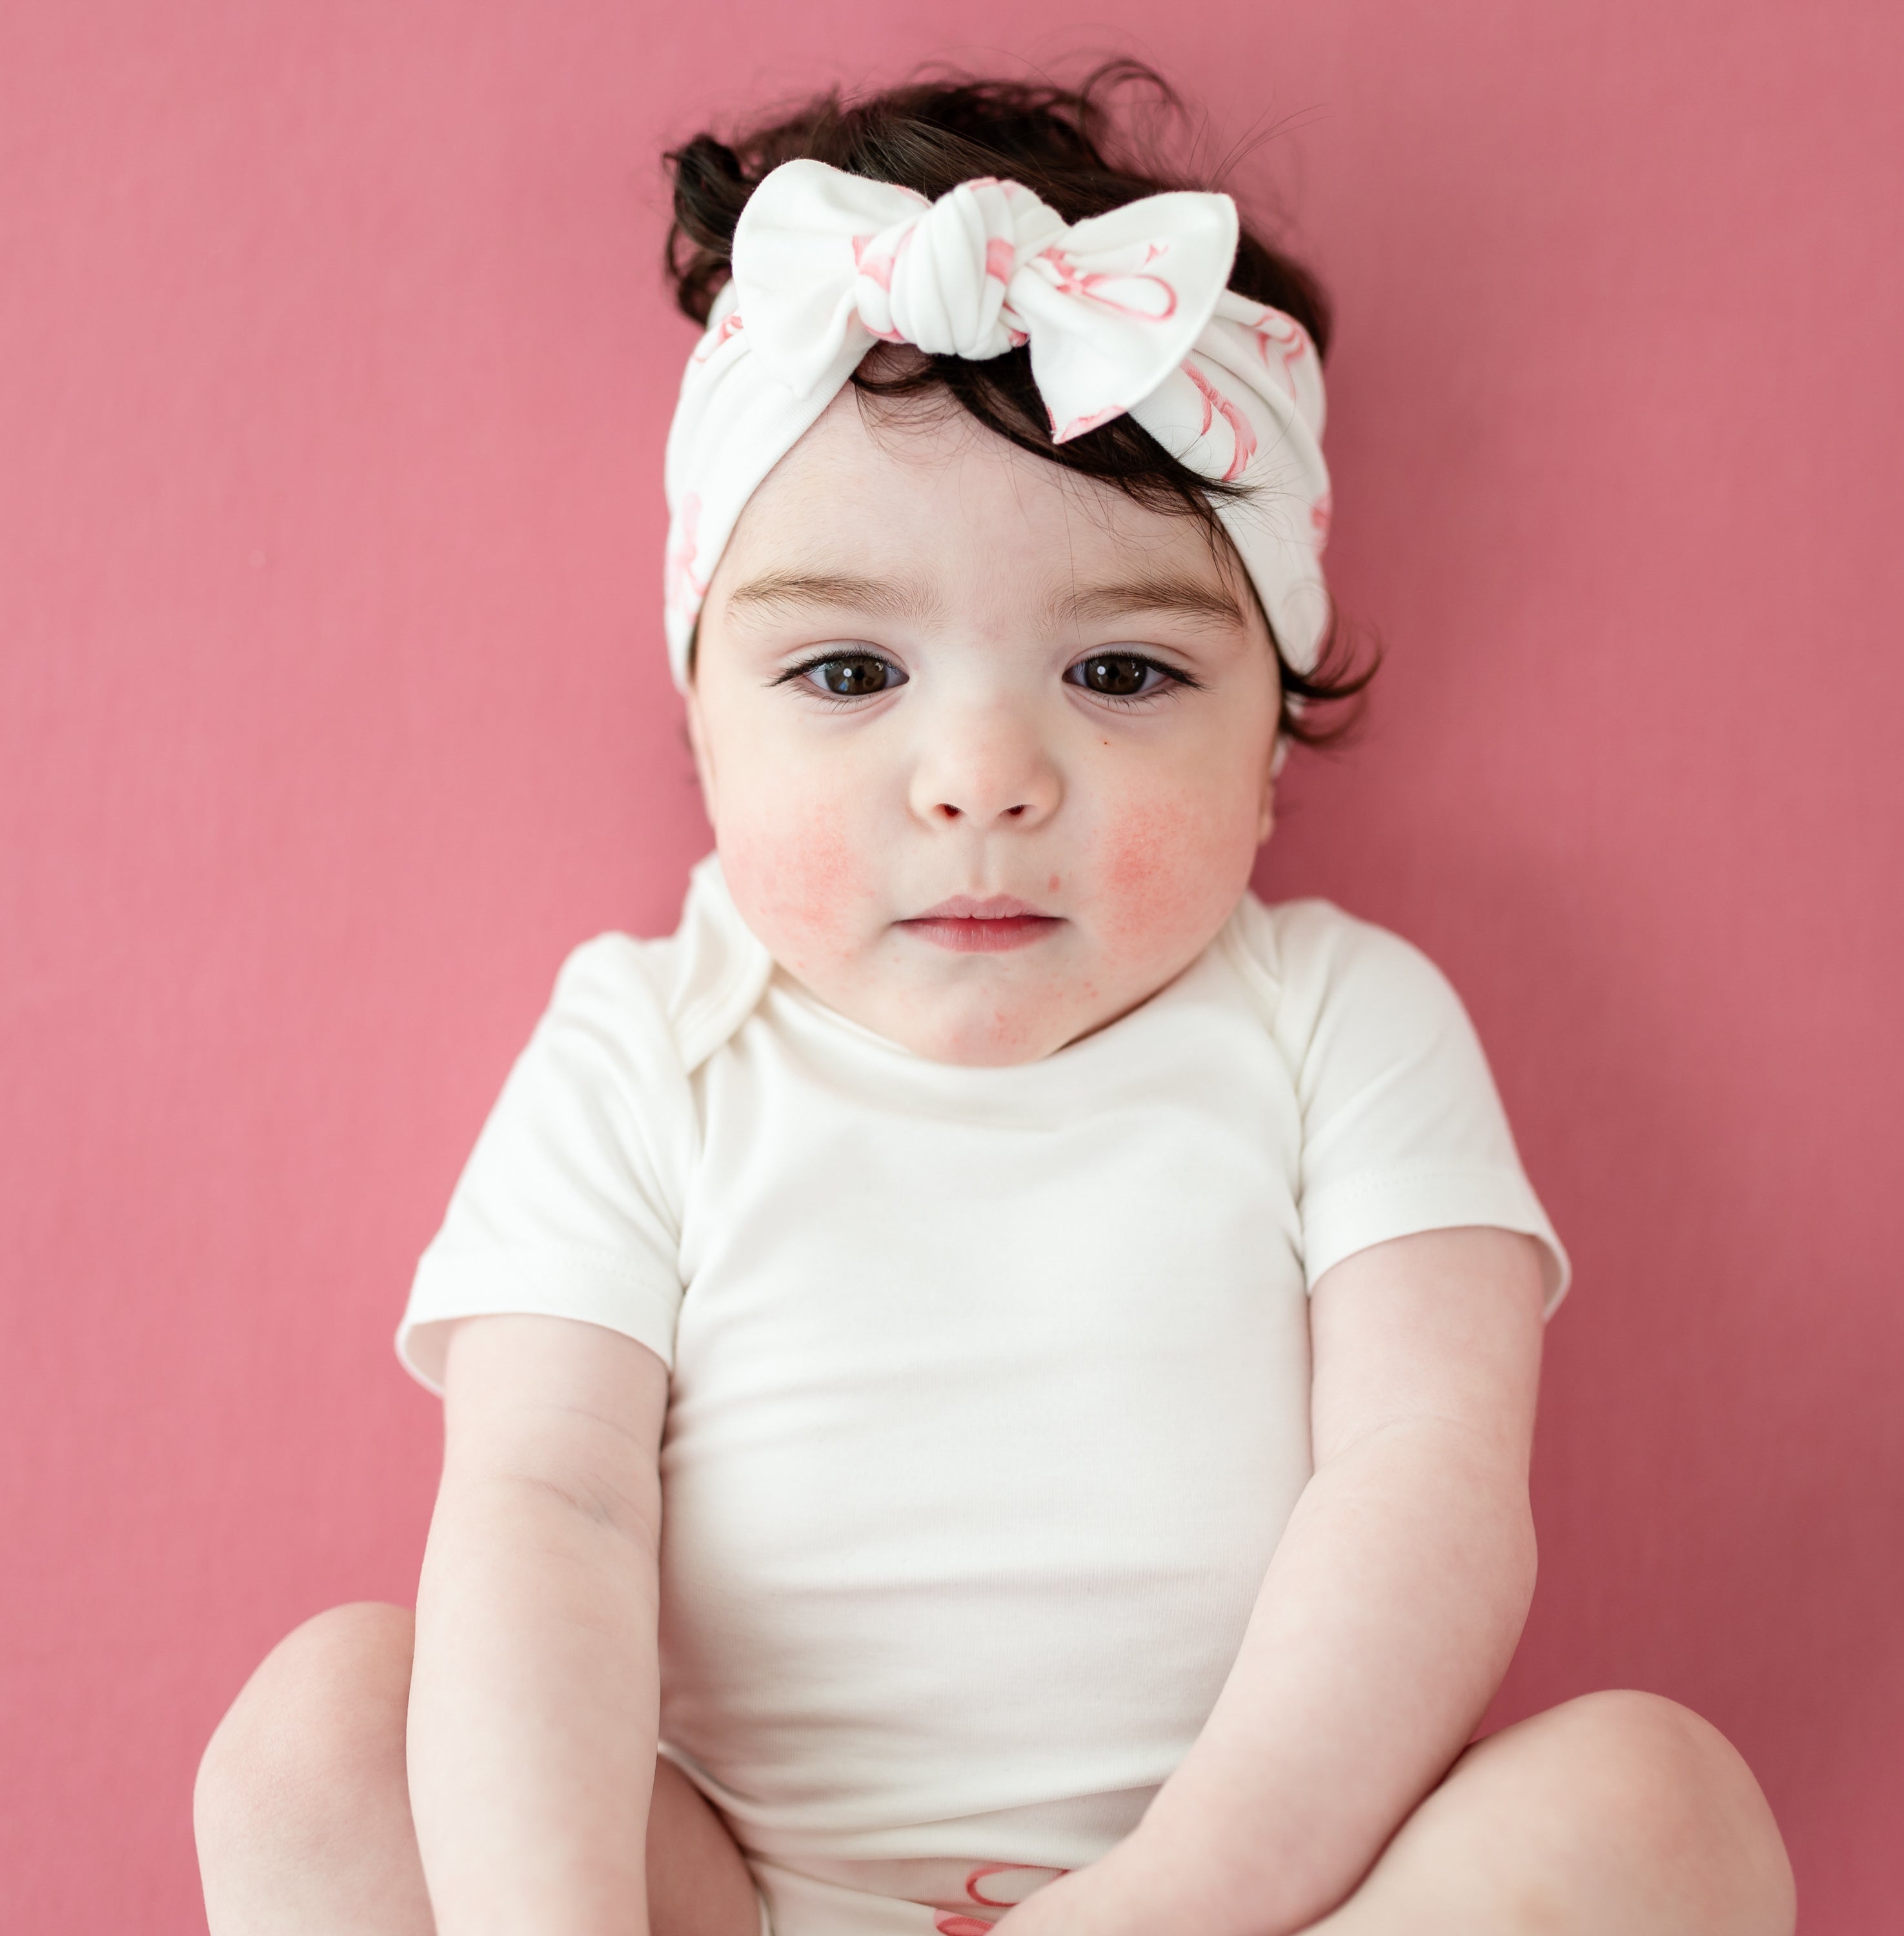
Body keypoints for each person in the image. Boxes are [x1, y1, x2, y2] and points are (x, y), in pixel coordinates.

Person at [193, 65, 1796, 1936]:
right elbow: (546, 1513)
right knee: (326, 1732)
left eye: (1119, 669)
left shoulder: (1341, 1023)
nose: (980, 775)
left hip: (1239, 1905)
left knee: (1658, 1810)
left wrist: (1171, 1905)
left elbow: (1424, 1491)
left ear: (1271, 751)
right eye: (851, 668)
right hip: (741, 1897)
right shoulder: (646, 1046)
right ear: (700, 717)